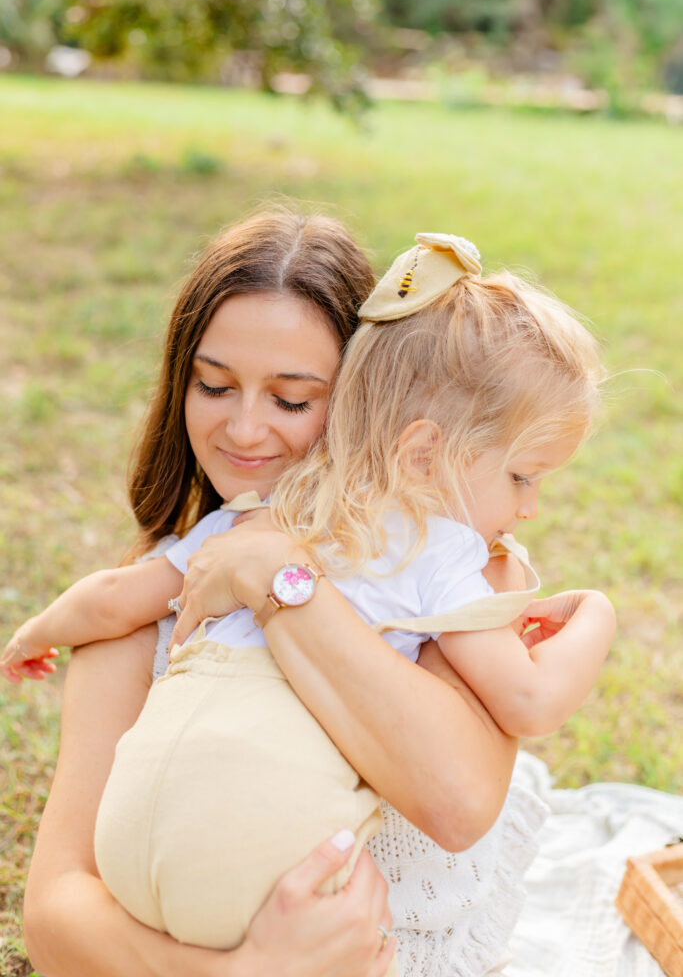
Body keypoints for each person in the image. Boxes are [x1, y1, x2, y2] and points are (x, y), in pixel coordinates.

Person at [9, 227, 615, 973]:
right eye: (214, 385)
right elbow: (56, 910)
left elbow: (455, 802)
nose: (244, 428)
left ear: (375, 405)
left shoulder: (452, 571)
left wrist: (277, 579)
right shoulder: (168, 591)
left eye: (293, 399)